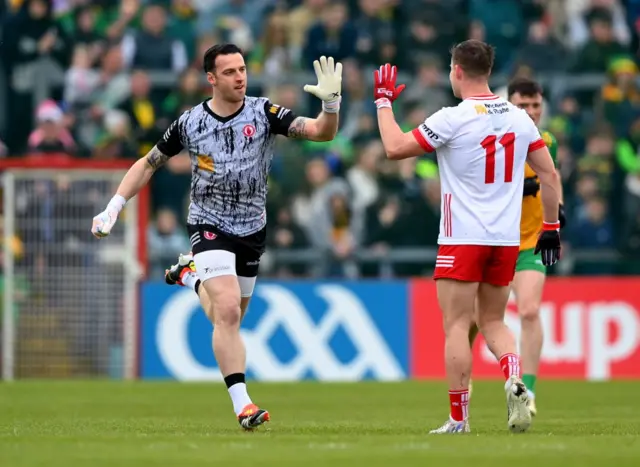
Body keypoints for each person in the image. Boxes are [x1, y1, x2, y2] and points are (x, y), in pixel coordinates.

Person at [90, 43, 343, 430]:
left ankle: (190, 276)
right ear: (211, 79)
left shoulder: (264, 112)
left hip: (252, 230)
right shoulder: (190, 123)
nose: (240, 76)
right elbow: (148, 163)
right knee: (225, 310)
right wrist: (115, 205)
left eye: (242, 69)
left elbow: (321, 134)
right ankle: (243, 405)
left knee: (228, 318)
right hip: (208, 224)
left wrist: (330, 105)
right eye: (230, 72)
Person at [372, 40, 561, 434]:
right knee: (494, 321)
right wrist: (550, 229)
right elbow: (550, 174)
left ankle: (459, 420)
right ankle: (514, 377)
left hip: (463, 237)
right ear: (488, 71)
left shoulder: (451, 118)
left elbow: (393, 148)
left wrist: (383, 102)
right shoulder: (520, 119)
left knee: (457, 326)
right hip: (506, 240)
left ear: (457, 70)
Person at [468, 77, 564, 417]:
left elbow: (552, 176)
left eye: (536, 105)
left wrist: (558, 212)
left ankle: (528, 392)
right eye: (523, 105)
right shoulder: (490, 137)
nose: (531, 112)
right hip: (493, 240)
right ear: (508, 104)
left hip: (530, 244)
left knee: (529, 311)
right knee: (473, 321)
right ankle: (463, 387)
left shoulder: (546, 140)